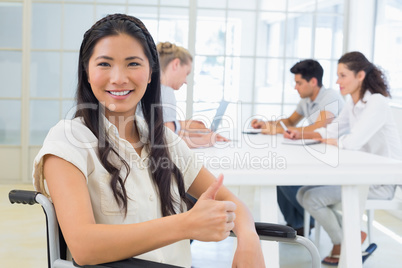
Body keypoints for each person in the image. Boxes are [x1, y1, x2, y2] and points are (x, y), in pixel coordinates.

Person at [32, 14, 265, 268]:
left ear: (151, 73)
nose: (119, 77)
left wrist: (249, 241)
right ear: (87, 72)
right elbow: (83, 246)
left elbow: (234, 203)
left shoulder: (165, 140)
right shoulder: (69, 139)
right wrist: (186, 224)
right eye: (104, 64)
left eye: (133, 64)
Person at [286, 51, 402, 265]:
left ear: (360, 76)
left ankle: (344, 241)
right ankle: (352, 236)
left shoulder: (377, 103)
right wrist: (304, 134)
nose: (337, 81)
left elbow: (352, 142)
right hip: (362, 175)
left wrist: (331, 140)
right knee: (303, 193)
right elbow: (333, 131)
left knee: (312, 198)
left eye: (342, 76)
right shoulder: (353, 103)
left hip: (380, 181)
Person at [253, 59, 345, 235]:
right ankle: (298, 224)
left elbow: (320, 128)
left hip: (333, 162)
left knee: (286, 178)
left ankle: (308, 220)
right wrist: (266, 124)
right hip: (317, 155)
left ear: (313, 82)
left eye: (299, 83)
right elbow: (289, 122)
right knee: (279, 178)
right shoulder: (307, 99)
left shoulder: (330, 97)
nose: (296, 87)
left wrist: (277, 130)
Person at [156, 41, 228, 148]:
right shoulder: (166, 92)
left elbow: (163, 132)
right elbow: (166, 141)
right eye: (186, 73)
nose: (186, 81)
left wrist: (198, 135)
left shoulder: (154, 88)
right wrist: (203, 141)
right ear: (176, 64)